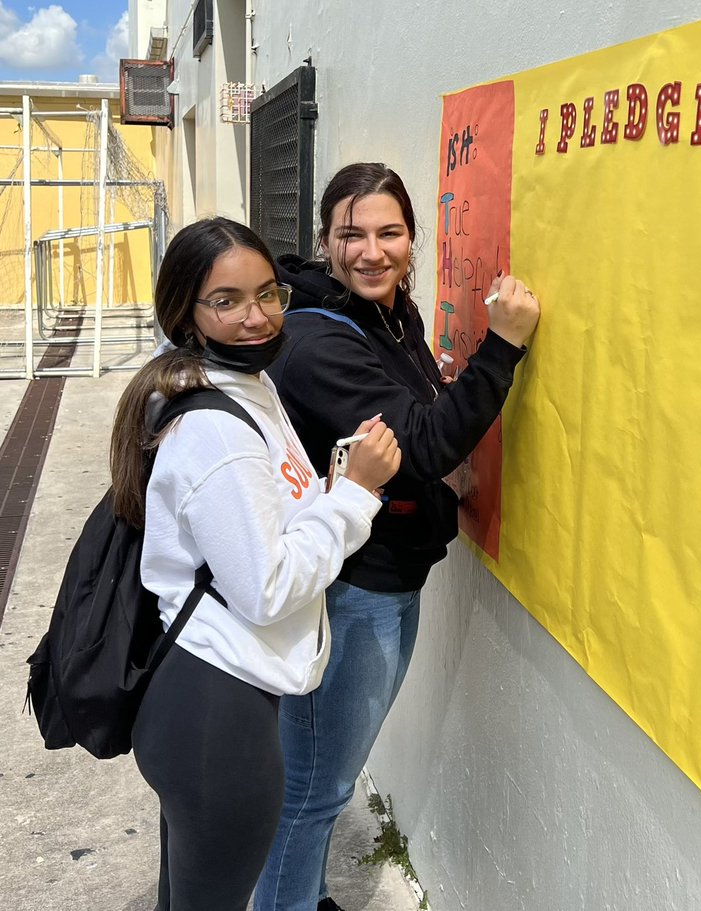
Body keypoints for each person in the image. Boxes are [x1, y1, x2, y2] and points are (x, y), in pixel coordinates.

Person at [255, 162, 540, 911]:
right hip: (352, 593)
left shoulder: (390, 313)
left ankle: (300, 896)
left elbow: (408, 420)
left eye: (389, 232)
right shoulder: (318, 341)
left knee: (320, 779)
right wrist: (503, 345)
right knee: (317, 787)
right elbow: (420, 440)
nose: (371, 250)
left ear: (413, 239)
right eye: (351, 234)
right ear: (324, 241)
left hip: (389, 579)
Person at [111, 216, 401, 911]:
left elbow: (267, 518)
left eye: (268, 294)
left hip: (205, 697)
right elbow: (268, 588)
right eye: (228, 300)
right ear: (187, 311)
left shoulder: (243, 385)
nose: (257, 316)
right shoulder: (217, 429)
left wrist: (332, 487)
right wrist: (357, 495)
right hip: (218, 714)